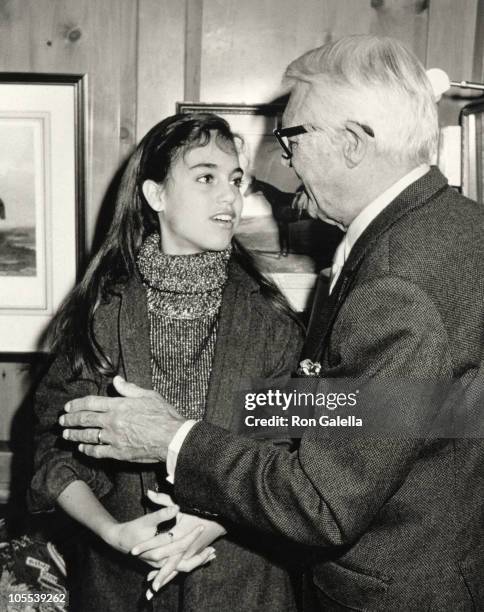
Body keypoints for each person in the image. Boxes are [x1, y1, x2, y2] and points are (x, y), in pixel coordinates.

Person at [58, 36, 484, 611]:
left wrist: (171, 437)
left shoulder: (396, 280)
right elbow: (398, 411)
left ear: (352, 144)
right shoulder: (457, 229)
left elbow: (321, 498)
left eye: (291, 139)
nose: (281, 163)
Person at [28, 113, 304, 611]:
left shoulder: (271, 322)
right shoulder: (101, 314)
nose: (230, 196)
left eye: (236, 180)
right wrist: (114, 532)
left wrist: (218, 520)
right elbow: (56, 450)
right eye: (206, 177)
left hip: (241, 586)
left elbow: (290, 459)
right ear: (155, 196)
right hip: (119, 587)